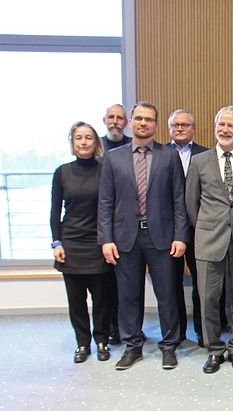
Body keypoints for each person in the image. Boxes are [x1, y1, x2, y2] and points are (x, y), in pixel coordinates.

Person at [98, 101, 189, 370]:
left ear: (156, 125)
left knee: (167, 294)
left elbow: (179, 199)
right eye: (138, 118)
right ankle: (132, 346)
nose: (143, 123)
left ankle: (169, 346)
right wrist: (106, 238)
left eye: (149, 119)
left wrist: (180, 235)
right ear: (130, 122)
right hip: (125, 237)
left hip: (161, 236)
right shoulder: (113, 158)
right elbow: (105, 202)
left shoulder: (168, 156)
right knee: (128, 295)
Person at [186, 106, 233, 373]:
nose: (226, 130)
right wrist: (205, 228)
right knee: (208, 297)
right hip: (209, 238)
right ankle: (215, 350)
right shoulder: (199, 161)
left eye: (231, 125)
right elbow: (190, 202)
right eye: (222, 124)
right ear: (215, 127)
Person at [51, 122, 116, 363]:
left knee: (101, 298)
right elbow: (55, 211)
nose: (84, 142)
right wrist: (56, 242)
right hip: (71, 244)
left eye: (88, 137)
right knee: (76, 299)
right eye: (79, 138)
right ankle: (82, 342)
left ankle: (102, 340)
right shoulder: (62, 172)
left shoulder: (105, 169)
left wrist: (109, 239)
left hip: (99, 242)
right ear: (73, 142)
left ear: (96, 142)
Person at [167, 109, 213, 347]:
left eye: (185, 125)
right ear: (169, 128)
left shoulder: (207, 155)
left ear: (193, 128)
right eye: (175, 125)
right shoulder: (161, 154)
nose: (180, 129)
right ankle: (177, 333)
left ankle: (203, 332)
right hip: (169, 231)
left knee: (201, 285)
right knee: (171, 284)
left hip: (201, 230)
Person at [101, 103, 131, 344]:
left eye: (119, 118)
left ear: (126, 122)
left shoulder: (134, 145)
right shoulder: (96, 148)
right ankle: (111, 329)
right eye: (111, 117)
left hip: (131, 227)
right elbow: (105, 198)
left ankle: (126, 330)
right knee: (107, 284)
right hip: (109, 227)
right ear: (104, 120)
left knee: (126, 287)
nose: (115, 122)